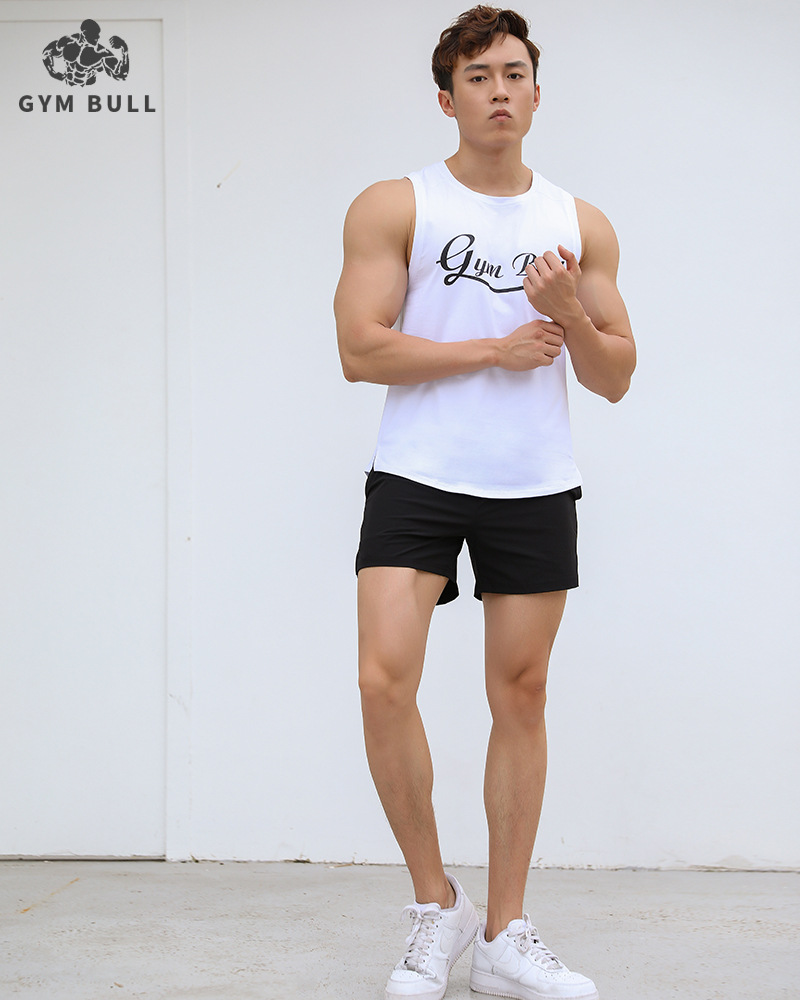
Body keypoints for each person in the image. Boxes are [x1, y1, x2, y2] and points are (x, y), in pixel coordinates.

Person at [334, 7, 635, 999]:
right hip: (417, 473)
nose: (498, 90)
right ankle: (438, 904)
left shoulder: (579, 224)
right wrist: (494, 350)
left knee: (521, 694)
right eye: (477, 77)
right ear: (447, 98)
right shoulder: (396, 205)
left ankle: (505, 932)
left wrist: (566, 315)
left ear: (536, 94)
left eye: (513, 73)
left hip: (531, 480)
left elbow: (614, 376)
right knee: (383, 679)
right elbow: (359, 348)